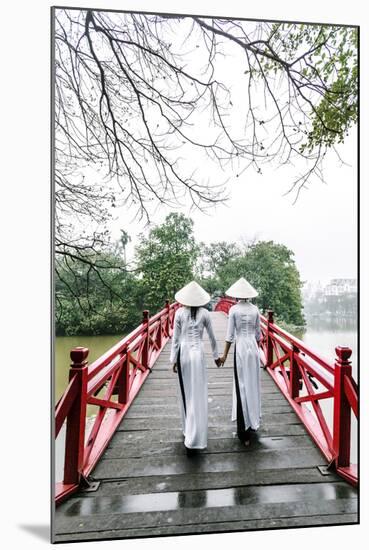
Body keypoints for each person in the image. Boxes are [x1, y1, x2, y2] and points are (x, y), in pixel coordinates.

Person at [170, 281, 222, 455]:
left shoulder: (178, 313)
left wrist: (173, 360)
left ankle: (188, 431)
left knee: (186, 392)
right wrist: (216, 357)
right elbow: (213, 338)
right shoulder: (205, 313)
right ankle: (196, 433)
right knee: (198, 393)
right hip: (198, 354)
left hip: (183, 354)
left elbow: (175, 339)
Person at [220, 277, 262, 446]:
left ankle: (243, 431)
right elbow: (258, 335)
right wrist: (256, 351)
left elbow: (230, 336)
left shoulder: (234, 310)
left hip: (241, 348)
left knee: (241, 386)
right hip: (253, 348)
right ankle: (253, 423)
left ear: (237, 295)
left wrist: (223, 356)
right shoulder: (256, 309)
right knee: (252, 385)